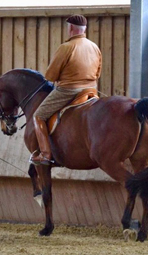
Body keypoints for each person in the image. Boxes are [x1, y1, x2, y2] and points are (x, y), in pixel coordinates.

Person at [31, 14, 102, 165]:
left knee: (38, 116)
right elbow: (98, 72)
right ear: (84, 29)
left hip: (68, 91)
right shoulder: (94, 47)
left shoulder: (66, 47)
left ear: (70, 28)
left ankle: (45, 154)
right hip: (91, 90)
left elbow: (50, 75)